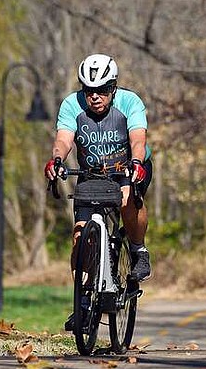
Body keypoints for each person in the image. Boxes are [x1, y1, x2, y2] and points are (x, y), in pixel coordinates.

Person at [44, 53, 153, 331]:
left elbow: (138, 140)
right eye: (89, 90)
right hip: (91, 173)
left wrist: (136, 163)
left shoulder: (130, 102)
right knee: (80, 235)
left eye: (102, 90)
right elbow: (63, 140)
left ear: (113, 87)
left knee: (127, 200)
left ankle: (138, 250)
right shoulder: (72, 104)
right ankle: (82, 303)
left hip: (129, 167)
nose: (95, 96)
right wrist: (56, 160)